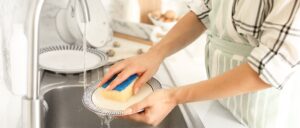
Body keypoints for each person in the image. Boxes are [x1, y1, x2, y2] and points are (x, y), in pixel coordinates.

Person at [98, 0, 300, 127]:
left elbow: (270, 67)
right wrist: (155, 54)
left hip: (266, 116)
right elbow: (204, 11)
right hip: (222, 103)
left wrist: (172, 97)